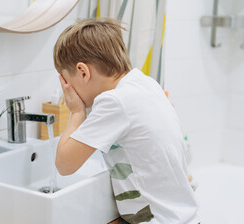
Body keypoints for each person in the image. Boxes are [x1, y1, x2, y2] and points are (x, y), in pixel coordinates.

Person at [53, 18, 199, 224]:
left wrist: (77, 112)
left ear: (83, 72)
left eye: (67, 83)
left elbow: (64, 164)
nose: (67, 90)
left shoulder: (114, 102)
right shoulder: (145, 83)